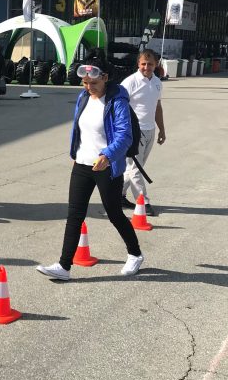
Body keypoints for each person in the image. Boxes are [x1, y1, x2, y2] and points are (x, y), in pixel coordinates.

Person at [36, 57, 144, 281]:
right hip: (82, 164)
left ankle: (135, 254)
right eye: (85, 83)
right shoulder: (83, 97)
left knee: (114, 214)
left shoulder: (117, 101)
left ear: (105, 77)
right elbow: (79, 129)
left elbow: (125, 135)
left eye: (93, 83)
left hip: (107, 166)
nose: (88, 87)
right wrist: (76, 154)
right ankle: (64, 266)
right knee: (74, 215)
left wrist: (108, 155)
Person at [120, 50, 166, 216]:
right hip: (134, 131)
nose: (146, 67)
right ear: (138, 64)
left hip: (150, 130)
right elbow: (118, 106)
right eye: (143, 64)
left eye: (150, 64)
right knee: (136, 168)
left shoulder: (157, 82)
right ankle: (143, 202)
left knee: (133, 168)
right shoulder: (130, 82)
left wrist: (161, 129)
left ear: (156, 64)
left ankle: (118, 196)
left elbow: (157, 107)